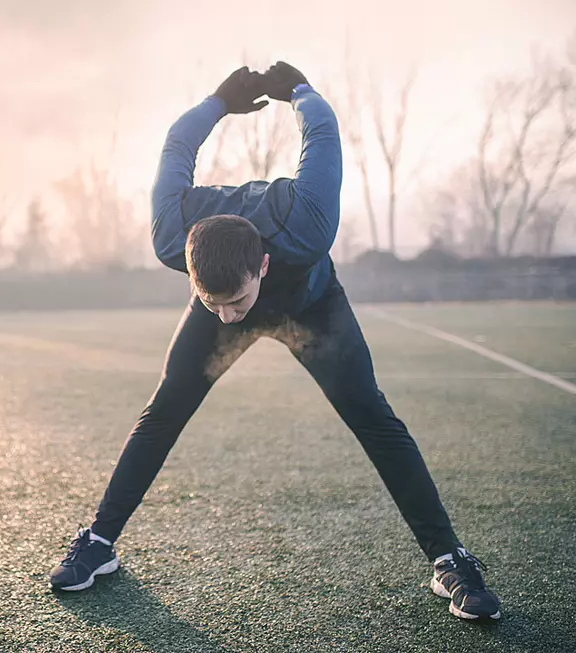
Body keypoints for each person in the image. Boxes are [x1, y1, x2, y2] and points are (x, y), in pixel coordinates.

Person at [48, 62, 501, 621]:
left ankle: (450, 560)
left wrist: (301, 93)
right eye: (212, 300)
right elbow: (175, 147)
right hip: (229, 285)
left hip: (310, 308)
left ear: (262, 265)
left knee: (374, 418)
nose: (231, 316)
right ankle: (98, 542)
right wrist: (218, 101)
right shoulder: (174, 237)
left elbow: (323, 133)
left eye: (237, 302)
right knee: (162, 412)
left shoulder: (306, 220)